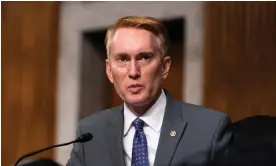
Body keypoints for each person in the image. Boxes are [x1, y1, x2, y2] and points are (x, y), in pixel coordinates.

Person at [66, 16, 233, 166]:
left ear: (164, 67)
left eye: (144, 57)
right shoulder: (90, 133)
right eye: (123, 59)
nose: (133, 72)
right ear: (109, 71)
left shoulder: (209, 128)